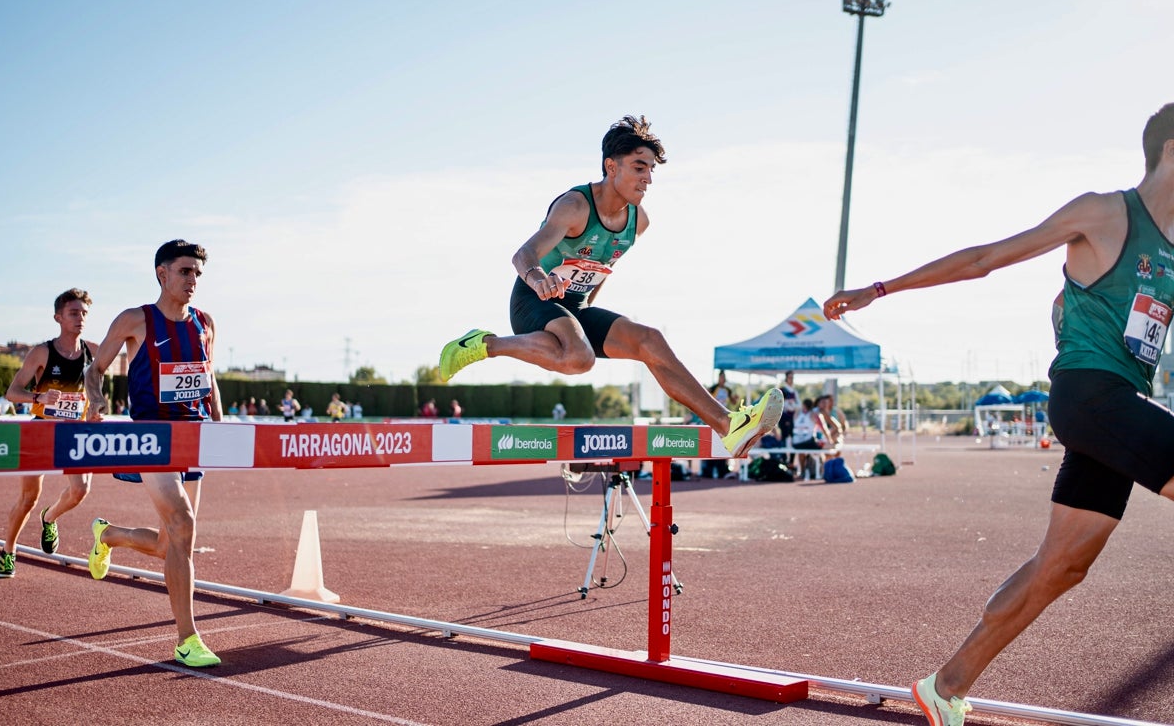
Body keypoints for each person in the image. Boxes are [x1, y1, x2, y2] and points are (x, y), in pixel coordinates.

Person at [824, 103, 1174, 725]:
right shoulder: (1104, 211)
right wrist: (878, 290)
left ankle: (946, 685)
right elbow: (985, 258)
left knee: (1063, 566)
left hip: (1115, 412)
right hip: (1091, 397)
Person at [438, 115, 780, 456]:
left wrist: (587, 308)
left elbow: (600, 269)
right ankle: (484, 344)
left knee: (650, 341)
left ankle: (728, 426)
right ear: (611, 167)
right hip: (534, 301)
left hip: (576, 308)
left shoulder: (638, 222)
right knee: (579, 357)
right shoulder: (574, 207)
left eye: (650, 171)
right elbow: (524, 254)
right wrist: (540, 279)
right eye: (639, 168)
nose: (647, 179)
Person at [83, 239, 223, 668]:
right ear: (162, 273)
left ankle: (108, 535)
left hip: (194, 440)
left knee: (171, 544)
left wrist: (221, 425)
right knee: (183, 524)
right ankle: (187, 639)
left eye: (197, 273)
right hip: (151, 439)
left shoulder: (205, 322)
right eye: (185, 272)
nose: (193, 280)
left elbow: (209, 377)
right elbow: (94, 369)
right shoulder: (135, 320)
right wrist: (97, 403)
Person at [0, 289, 98, 578]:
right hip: (41, 430)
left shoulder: (94, 351)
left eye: (84, 313)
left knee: (80, 490)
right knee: (29, 497)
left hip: (75, 432)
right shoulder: (42, 352)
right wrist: (39, 399)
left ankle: (49, 517)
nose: (81, 318)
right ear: (58, 317)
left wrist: (97, 406)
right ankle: (8, 550)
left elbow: (99, 388)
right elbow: (13, 393)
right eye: (74, 313)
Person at [778, 371, 799, 444]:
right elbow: (779, 403)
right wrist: (788, 403)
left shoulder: (794, 391)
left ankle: (791, 455)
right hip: (784, 417)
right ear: (786, 379)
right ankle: (783, 455)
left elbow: (798, 405)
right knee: (784, 436)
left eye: (792, 378)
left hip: (792, 417)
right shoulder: (782, 390)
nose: (791, 380)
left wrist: (793, 405)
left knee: (792, 437)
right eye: (790, 378)